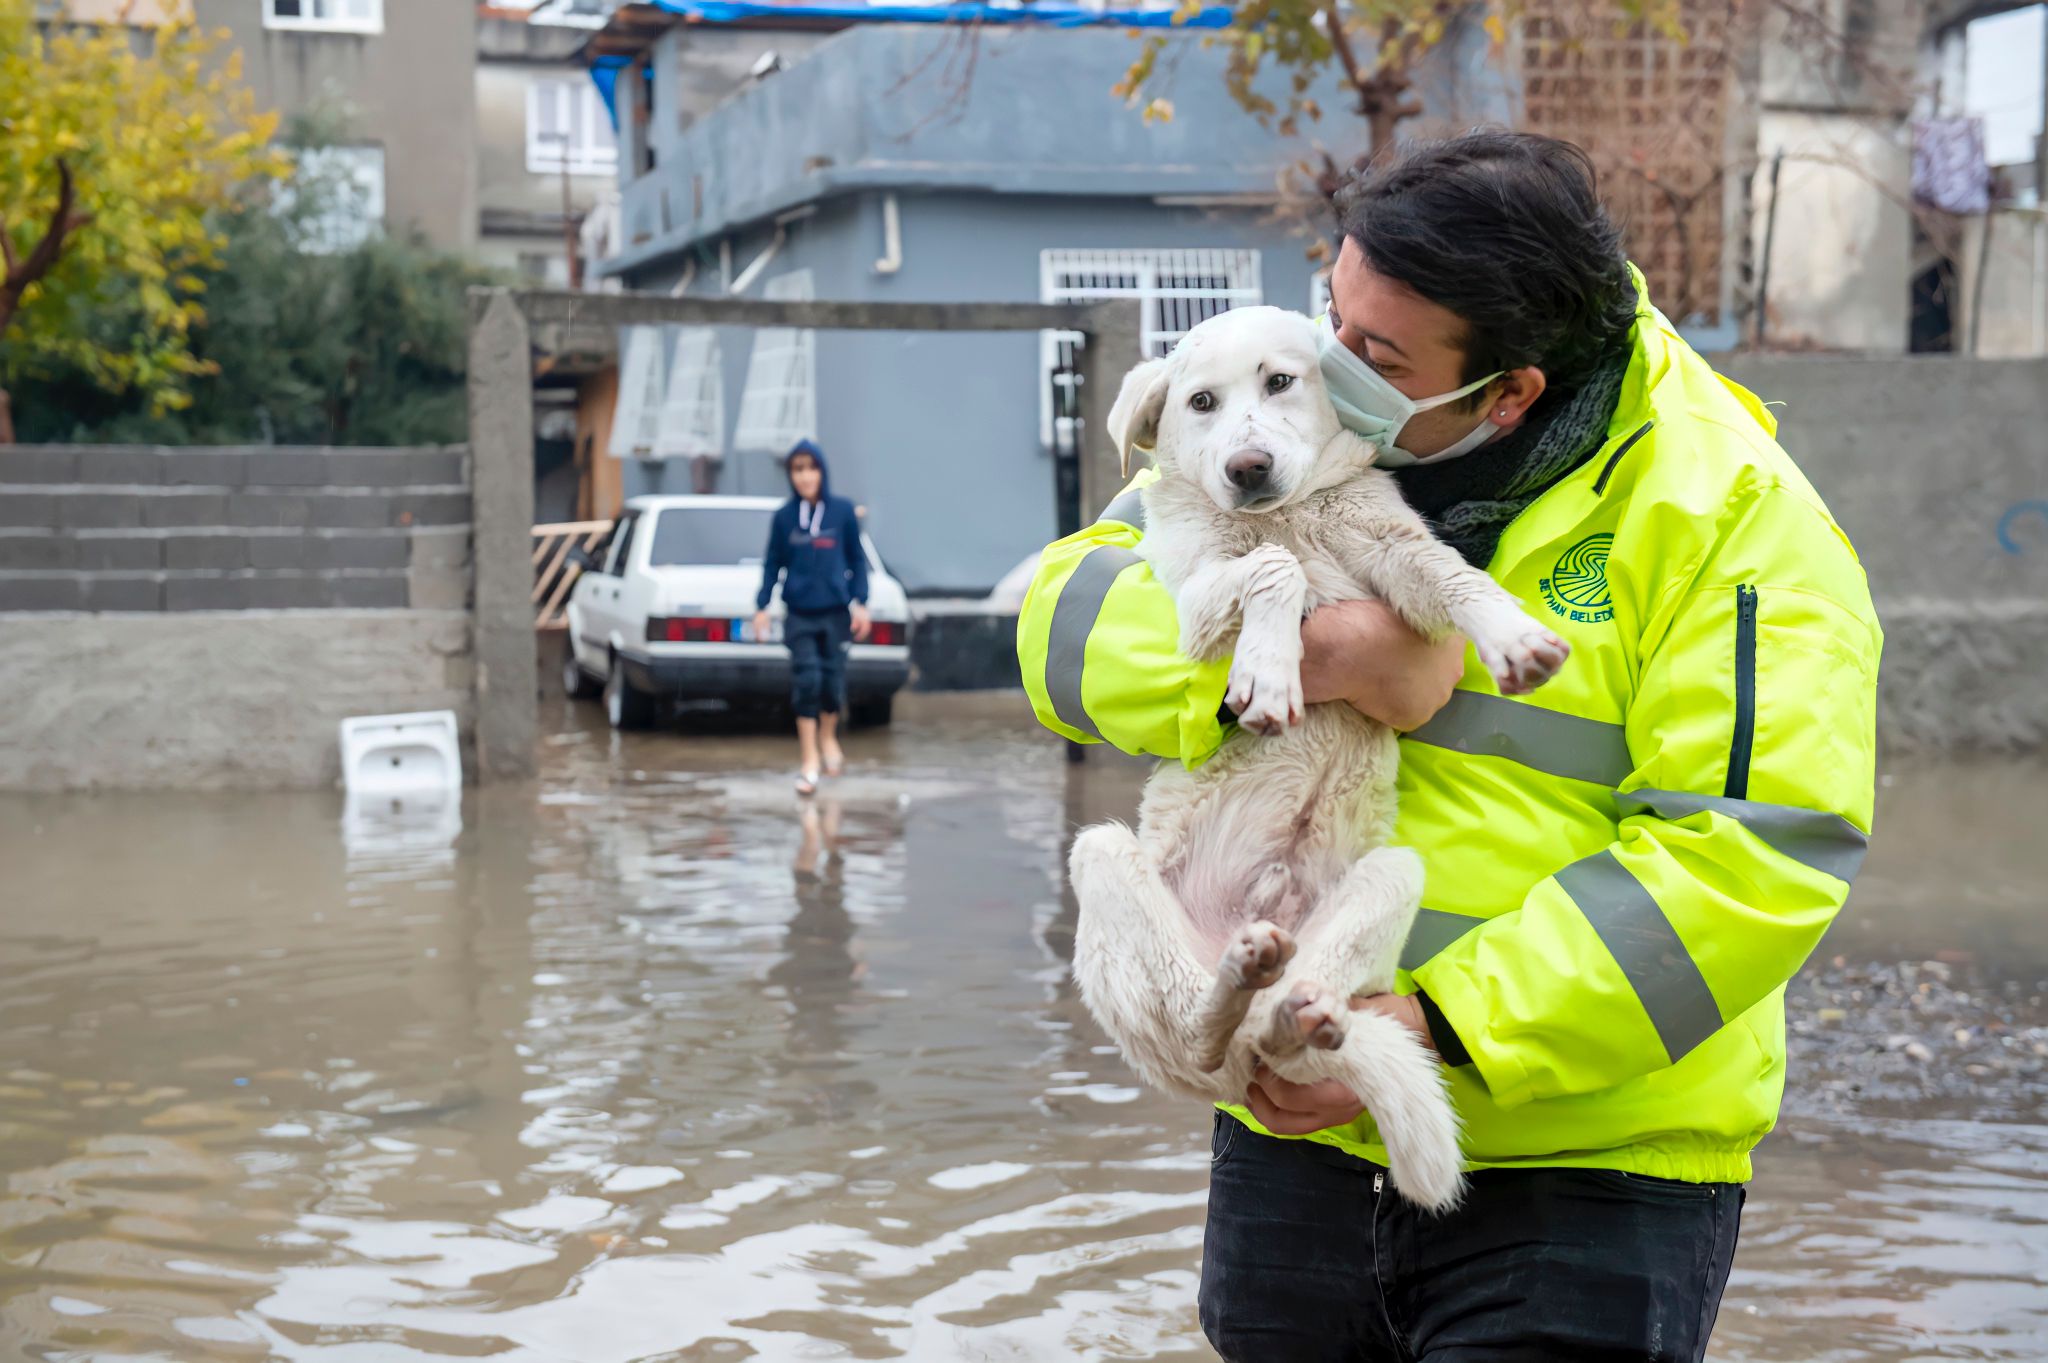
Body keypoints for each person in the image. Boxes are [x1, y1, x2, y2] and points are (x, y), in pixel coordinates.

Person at [1017, 131, 1882, 1362]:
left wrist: (1438, 1028)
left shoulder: (1735, 519)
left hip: (1581, 1173)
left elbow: (1752, 858)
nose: (1323, 367)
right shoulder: (1276, 433)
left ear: (1507, 391)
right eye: (1332, 316)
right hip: (1294, 1141)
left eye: (1370, 357)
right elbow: (1062, 618)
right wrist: (1321, 652)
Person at [754, 440, 870, 795]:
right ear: (791, 475)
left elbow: (856, 561)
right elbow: (773, 563)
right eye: (798, 469)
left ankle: (828, 738)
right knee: (807, 680)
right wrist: (762, 606)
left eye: (811, 468)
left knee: (832, 683)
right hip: (799, 614)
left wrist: (861, 603)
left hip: (835, 613)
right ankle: (809, 760)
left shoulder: (842, 512)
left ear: (821, 471)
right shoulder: (785, 517)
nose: (805, 476)